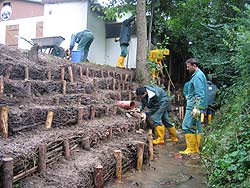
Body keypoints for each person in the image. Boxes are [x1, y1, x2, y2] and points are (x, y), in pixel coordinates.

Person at [179, 58, 207, 155]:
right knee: (196, 126)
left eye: (188, 66)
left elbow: (200, 94)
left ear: (194, 66)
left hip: (194, 106)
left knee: (187, 125)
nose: (187, 69)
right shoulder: (198, 75)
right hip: (197, 105)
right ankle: (196, 148)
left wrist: (196, 107)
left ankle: (191, 149)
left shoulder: (197, 76)